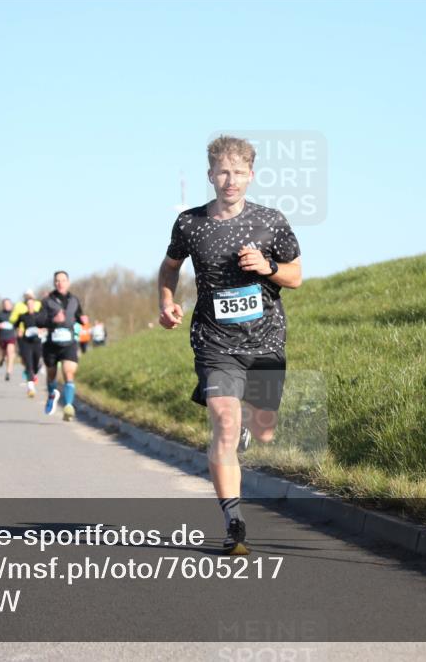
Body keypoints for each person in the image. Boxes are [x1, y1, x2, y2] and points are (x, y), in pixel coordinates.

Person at [158, 135, 302, 555]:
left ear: (251, 175)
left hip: (266, 339)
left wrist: (268, 266)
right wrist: (167, 302)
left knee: (265, 429)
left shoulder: (271, 221)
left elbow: (295, 276)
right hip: (214, 341)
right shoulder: (189, 223)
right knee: (223, 421)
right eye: (223, 172)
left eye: (238, 172)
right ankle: (233, 522)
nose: (230, 180)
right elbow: (169, 268)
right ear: (210, 175)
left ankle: (247, 427)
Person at [37, 271, 85, 421]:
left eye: (63, 280)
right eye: (57, 280)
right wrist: (52, 321)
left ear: (68, 282)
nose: (60, 283)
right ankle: (52, 395)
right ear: (54, 283)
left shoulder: (74, 300)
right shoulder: (47, 301)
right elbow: (39, 321)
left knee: (68, 373)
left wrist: (82, 319)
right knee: (51, 375)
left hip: (69, 343)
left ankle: (68, 407)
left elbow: (78, 316)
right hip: (52, 343)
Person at [10, 289, 43, 397]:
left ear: (34, 304)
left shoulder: (39, 315)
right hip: (26, 342)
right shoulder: (23, 316)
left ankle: (35, 371)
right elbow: (14, 324)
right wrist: (18, 330)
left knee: (36, 363)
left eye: (31, 304)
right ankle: (30, 388)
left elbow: (46, 324)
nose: (30, 306)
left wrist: (42, 330)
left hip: (37, 341)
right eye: (28, 305)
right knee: (28, 364)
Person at [0, 299, 18, 381]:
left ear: (11, 305)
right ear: (3, 305)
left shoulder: (14, 314)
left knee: (10, 353)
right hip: (2, 337)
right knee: (5, 353)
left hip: (11, 336)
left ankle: (8, 372)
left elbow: (19, 323)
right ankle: (3, 358)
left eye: (8, 304)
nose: (7, 305)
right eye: (5, 304)